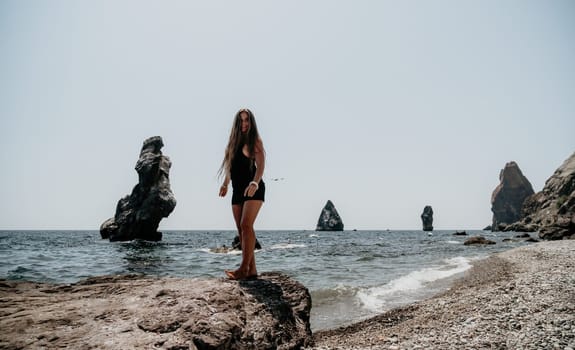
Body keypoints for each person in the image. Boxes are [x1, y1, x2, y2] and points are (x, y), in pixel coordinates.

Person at [218, 108, 266, 280]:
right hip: (237, 190)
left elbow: (261, 165)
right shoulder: (233, 143)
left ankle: (243, 268)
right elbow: (230, 168)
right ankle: (252, 270)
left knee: (246, 225)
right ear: (237, 123)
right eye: (241, 120)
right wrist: (225, 184)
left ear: (251, 122)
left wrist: (255, 182)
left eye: (247, 120)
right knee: (241, 229)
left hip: (253, 188)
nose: (244, 124)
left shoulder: (255, 141)